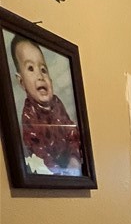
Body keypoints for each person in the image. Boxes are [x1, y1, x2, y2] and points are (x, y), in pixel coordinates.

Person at [10, 36, 82, 175]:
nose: (40, 76)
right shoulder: (29, 115)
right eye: (31, 68)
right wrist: (59, 172)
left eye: (43, 69)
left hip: (68, 162)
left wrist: (74, 158)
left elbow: (71, 131)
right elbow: (38, 152)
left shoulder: (56, 103)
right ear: (21, 82)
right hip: (52, 169)